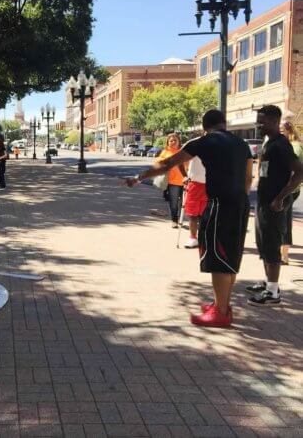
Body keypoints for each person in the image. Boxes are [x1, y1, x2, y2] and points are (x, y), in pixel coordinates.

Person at [125, 110, 253, 327]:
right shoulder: (241, 143)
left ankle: (220, 313)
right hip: (240, 203)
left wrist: (138, 177)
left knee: (218, 256)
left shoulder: (203, 141)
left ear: (205, 127)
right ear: (224, 123)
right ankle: (222, 305)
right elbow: (249, 176)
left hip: (220, 203)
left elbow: (167, 164)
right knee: (231, 254)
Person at [247, 106, 303, 306]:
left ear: (273, 121)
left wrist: (280, 198)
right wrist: (255, 186)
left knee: (271, 246)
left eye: (261, 121)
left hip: (273, 204)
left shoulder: (281, 145)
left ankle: (273, 292)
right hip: (263, 201)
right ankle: (269, 283)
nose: (258, 124)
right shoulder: (269, 143)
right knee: (264, 244)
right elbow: (263, 171)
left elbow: (299, 173)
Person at [280, 121, 303, 265]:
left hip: (287, 190)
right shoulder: (294, 145)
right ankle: (283, 254)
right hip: (290, 189)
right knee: (284, 220)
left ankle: (283, 255)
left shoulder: (293, 147)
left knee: (282, 221)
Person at [158, 133, 188, 228]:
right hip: (172, 182)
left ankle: (181, 219)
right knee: (174, 203)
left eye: (175, 140)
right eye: (171, 140)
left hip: (185, 181)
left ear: (179, 141)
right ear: (168, 142)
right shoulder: (165, 152)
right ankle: (174, 220)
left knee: (184, 203)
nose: (173, 142)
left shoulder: (183, 151)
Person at [183, 156, 208, 248]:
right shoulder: (195, 145)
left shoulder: (218, 147)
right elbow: (180, 162)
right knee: (193, 214)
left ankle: (204, 238)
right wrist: (184, 176)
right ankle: (193, 238)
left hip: (211, 185)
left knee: (206, 214)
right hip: (194, 184)